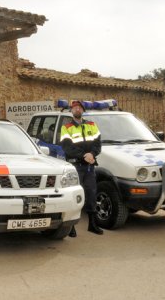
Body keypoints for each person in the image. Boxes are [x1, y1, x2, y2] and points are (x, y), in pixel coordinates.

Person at [60, 100, 103, 236]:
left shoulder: (92, 125)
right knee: (75, 196)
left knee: (91, 194)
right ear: (71, 111)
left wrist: (92, 154)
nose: (77, 109)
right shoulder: (66, 127)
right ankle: (71, 226)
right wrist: (83, 155)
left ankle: (92, 224)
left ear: (83, 110)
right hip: (75, 166)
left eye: (79, 108)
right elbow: (67, 148)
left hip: (89, 166)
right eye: (75, 108)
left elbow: (98, 144)